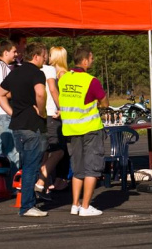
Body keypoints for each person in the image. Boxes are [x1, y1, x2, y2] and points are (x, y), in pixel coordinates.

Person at [0, 42, 49, 217]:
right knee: (31, 167)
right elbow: (40, 93)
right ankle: (27, 205)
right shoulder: (37, 73)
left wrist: (12, 112)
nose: (45, 58)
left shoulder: (15, 72)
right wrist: (41, 111)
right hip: (31, 125)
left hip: (18, 125)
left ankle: (28, 200)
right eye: (44, 55)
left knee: (26, 165)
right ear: (36, 56)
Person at [59, 44, 108, 217]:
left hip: (71, 129)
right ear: (85, 60)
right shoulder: (90, 80)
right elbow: (104, 102)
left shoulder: (64, 79)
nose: (92, 61)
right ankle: (86, 206)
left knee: (77, 168)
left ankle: (75, 204)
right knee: (92, 168)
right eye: (92, 58)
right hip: (89, 128)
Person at [0, 40, 19, 196]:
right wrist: (21, 93)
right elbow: (3, 91)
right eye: (14, 51)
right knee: (12, 150)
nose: (16, 54)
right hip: (1, 113)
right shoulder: (0, 68)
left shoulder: (4, 67)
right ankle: (14, 186)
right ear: (5, 52)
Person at [34, 49, 64, 201]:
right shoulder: (49, 69)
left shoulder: (29, 70)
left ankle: (44, 186)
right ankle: (40, 181)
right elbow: (52, 89)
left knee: (44, 151)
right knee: (58, 151)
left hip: (38, 114)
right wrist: (62, 108)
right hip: (51, 113)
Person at [47, 46, 70, 191]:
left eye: (50, 54)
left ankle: (59, 179)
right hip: (56, 113)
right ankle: (58, 179)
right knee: (58, 148)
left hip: (56, 113)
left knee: (58, 148)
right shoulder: (57, 73)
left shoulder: (61, 74)